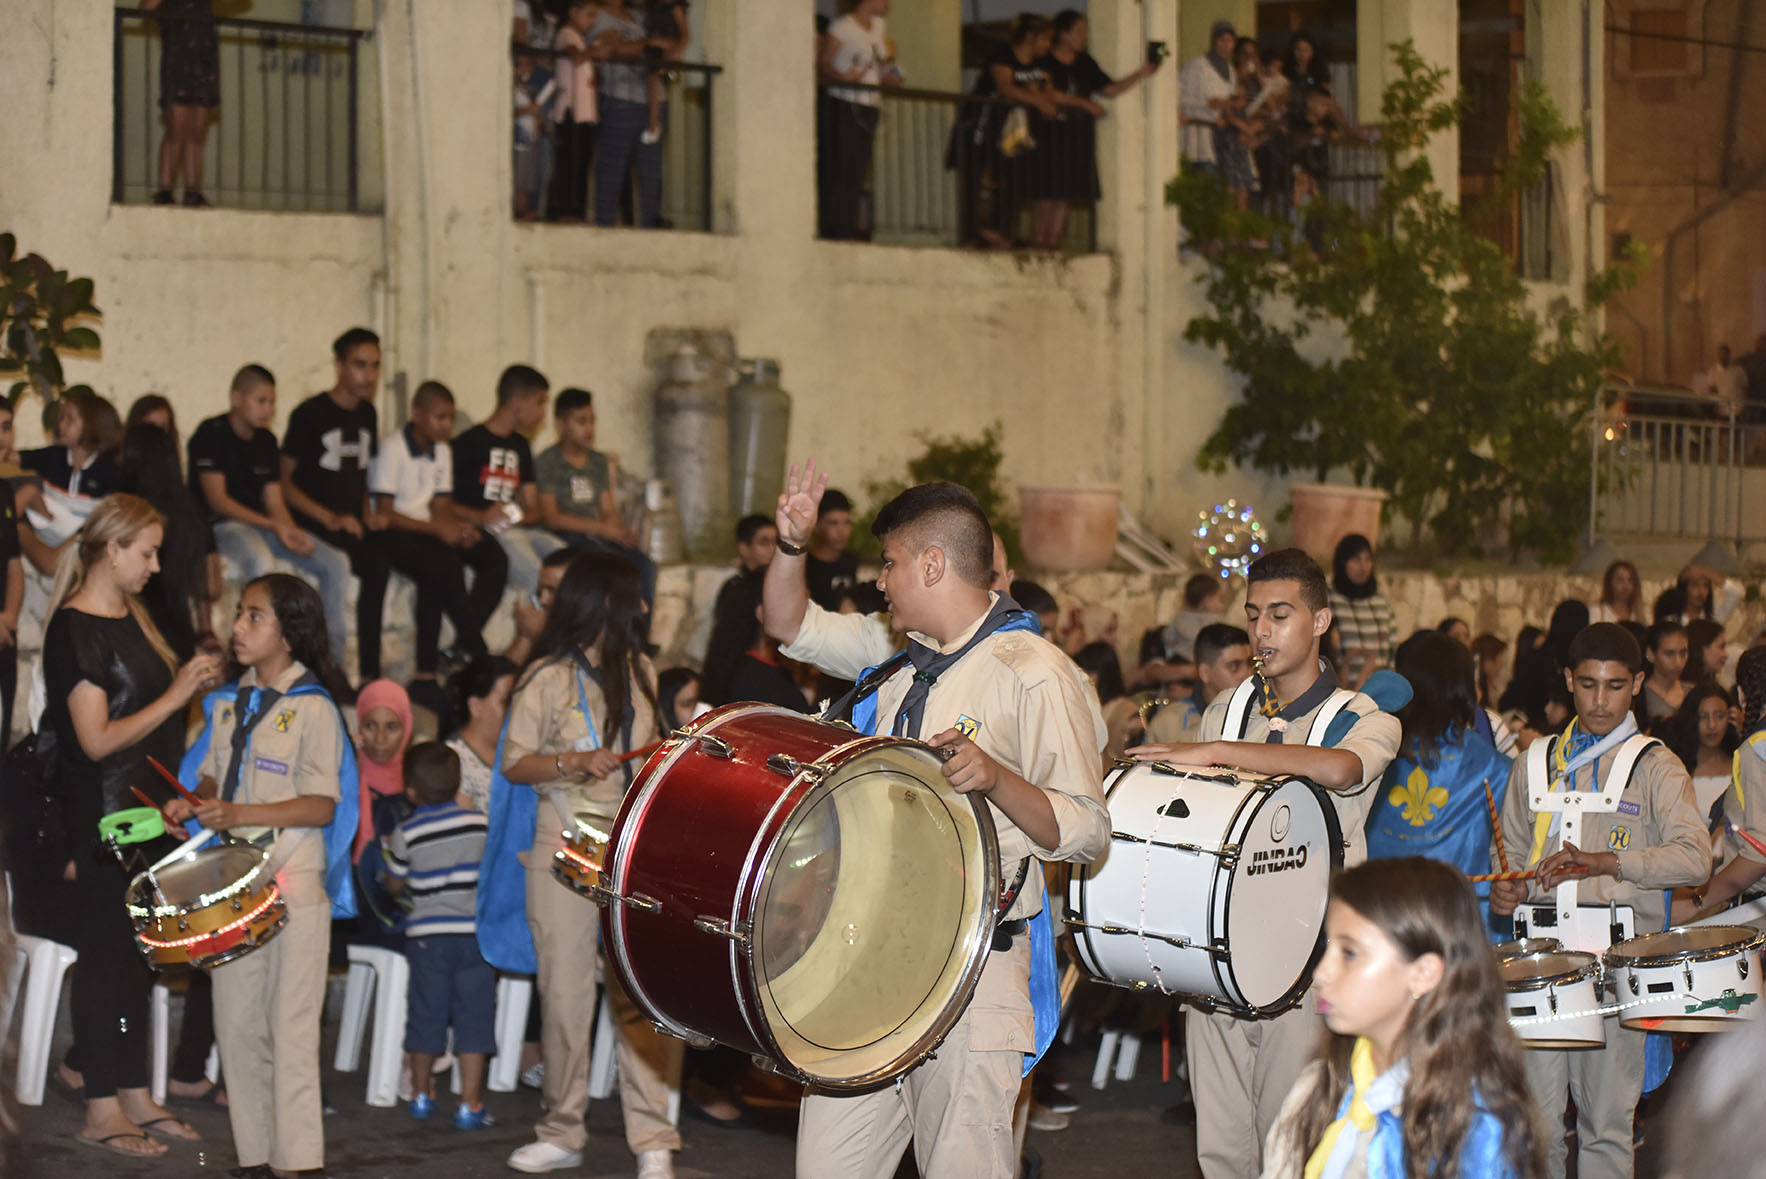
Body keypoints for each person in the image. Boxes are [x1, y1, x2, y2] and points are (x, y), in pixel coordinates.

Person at [763, 460, 1110, 1179]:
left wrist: (998, 776)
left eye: (889, 563)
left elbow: (1086, 827)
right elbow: (786, 625)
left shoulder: (1035, 672)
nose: (880, 580)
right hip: (867, 963)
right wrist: (789, 545)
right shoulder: (897, 665)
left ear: (931, 562)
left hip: (972, 969)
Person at [1128, 547, 1402, 1179]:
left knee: (1291, 1147)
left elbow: (1342, 769)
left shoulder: (1361, 716)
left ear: (1322, 622)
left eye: (1281, 614)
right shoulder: (1228, 706)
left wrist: (1221, 751)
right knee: (1220, 1149)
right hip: (1217, 954)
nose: (1262, 631)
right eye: (1254, 615)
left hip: (1306, 964)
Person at [1488, 622, 1708, 1179]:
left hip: (1614, 966)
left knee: (1607, 1126)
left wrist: (1609, 861)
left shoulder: (1655, 765)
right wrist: (1505, 889)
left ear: (1637, 683)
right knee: (1535, 1127)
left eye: (1615, 685)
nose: (1601, 700)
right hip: (1537, 962)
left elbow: (1695, 858)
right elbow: (1509, 855)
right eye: (1588, 685)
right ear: (1568, 680)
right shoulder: (1534, 761)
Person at [41, 494, 223, 1157]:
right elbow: (93, 741)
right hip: (101, 819)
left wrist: (175, 799)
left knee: (141, 958)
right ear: (109, 549)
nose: (153, 564)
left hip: (146, 814)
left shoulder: (133, 616)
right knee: (105, 959)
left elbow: (156, 735)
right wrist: (178, 692)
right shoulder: (72, 628)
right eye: (144, 551)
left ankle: (135, 1091)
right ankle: (98, 1105)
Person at [492, 553, 684, 1178]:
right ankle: (561, 1130)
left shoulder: (643, 670)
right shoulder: (546, 676)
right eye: (636, 597)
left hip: (631, 846)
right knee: (566, 995)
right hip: (563, 835)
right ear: (605, 603)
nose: (645, 609)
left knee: (640, 993)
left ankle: (654, 1139)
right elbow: (515, 763)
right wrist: (574, 762)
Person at [167, 572, 357, 1177]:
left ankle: (296, 1163)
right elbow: (215, 775)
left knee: (290, 1025)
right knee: (237, 1023)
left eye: (254, 617)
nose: (237, 628)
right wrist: (190, 801)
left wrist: (237, 812)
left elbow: (322, 804)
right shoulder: (231, 702)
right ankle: (254, 1155)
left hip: (294, 875)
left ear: (291, 632)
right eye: (239, 614)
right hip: (235, 881)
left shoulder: (313, 707)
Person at [1258, 858, 1544, 1179]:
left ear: (1422, 974)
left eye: (1349, 953)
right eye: (1328, 946)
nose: (1321, 973)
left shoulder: (1477, 1132)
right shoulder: (1319, 1089)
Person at [192, 364, 354, 671]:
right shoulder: (210, 434)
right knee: (261, 560)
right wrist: (274, 525)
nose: (268, 409)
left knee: (336, 563)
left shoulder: (266, 441)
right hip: (223, 526)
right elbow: (219, 501)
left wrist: (291, 531)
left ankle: (333, 667)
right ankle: (248, 657)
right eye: (261, 401)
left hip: (264, 525)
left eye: (272, 402)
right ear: (236, 398)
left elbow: (275, 500)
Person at [1365, 631, 1513, 934]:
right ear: (1463, 686)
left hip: (1383, 925)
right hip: (1466, 931)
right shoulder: (1492, 765)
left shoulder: (1371, 753)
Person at [386, 741, 498, 1128]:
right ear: (457, 784)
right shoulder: (480, 824)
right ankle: (470, 1104)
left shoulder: (407, 832)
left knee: (425, 1013)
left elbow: (395, 885)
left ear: (411, 792)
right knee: (474, 1018)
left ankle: (420, 1094)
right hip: (473, 939)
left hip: (427, 939)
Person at [366, 379, 504, 680]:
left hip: (424, 526)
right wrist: (437, 530)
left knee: (492, 555)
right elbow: (387, 513)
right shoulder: (393, 449)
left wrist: (458, 528)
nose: (446, 425)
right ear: (417, 414)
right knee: (442, 565)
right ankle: (459, 657)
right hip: (394, 530)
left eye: (450, 418)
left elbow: (441, 505)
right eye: (439, 417)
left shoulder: (442, 451)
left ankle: (460, 648)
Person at [280, 327, 391, 684]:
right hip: (313, 522)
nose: (368, 376)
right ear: (339, 365)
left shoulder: (368, 415)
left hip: (351, 523)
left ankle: (372, 675)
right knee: (339, 568)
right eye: (359, 365)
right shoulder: (309, 414)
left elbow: (357, 472)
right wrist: (329, 517)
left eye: (375, 366)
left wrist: (367, 511)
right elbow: (285, 484)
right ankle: (332, 666)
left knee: (382, 564)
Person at [1029, 9, 1159, 250]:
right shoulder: (1043, 61)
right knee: (1046, 190)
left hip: (1076, 136)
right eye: (1078, 32)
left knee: (1065, 192)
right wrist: (1084, 103)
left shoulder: (1084, 62)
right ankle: (1038, 244)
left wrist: (1142, 73)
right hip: (1049, 133)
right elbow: (1047, 92)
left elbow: (1109, 89)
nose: (1083, 37)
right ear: (1063, 34)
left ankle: (1053, 244)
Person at [533, 386, 655, 610]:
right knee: (606, 564)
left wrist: (620, 532)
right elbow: (551, 518)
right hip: (566, 535)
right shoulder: (547, 461)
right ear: (560, 425)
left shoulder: (598, 462)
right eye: (581, 422)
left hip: (596, 534)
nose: (589, 429)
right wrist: (602, 529)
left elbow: (608, 509)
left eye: (592, 421)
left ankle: (638, 638)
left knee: (643, 566)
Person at [451, 364, 564, 595]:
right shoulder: (467, 443)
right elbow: (442, 505)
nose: (544, 413)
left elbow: (534, 510)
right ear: (516, 401)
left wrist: (512, 515)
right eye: (539, 402)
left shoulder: (521, 447)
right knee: (537, 576)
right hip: (485, 534)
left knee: (570, 562)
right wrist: (482, 517)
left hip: (516, 529)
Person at [1672, 646, 1766, 924]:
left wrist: (1698, 900)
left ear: (1740, 694)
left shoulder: (1756, 748)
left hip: (1757, 909)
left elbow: (1759, 853)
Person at [951, 15, 1058, 250]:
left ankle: (1001, 229)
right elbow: (1005, 87)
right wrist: (1035, 99)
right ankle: (972, 232)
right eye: (1046, 39)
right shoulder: (1002, 55)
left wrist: (1037, 96)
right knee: (975, 174)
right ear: (1031, 37)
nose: (1048, 45)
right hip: (985, 122)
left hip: (1016, 128)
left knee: (1016, 175)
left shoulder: (1042, 63)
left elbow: (1048, 91)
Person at [119, 423, 218, 661]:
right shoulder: (191, 511)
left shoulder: (128, 511)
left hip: (135, 636)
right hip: (179, 638)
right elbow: (212, 587)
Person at [818, 0, 899, 241]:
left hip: (869, 105)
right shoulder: (843, 26)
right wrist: (843, 76)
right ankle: (835, 227)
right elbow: (824, 63)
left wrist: (888, 78)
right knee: (841, 165)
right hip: (844, 103)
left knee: (858, 166)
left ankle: (846, 224)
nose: (887, 3)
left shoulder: (878, 26)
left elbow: (878, 63)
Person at [589, 0, 668, 228]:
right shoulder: (600, 15)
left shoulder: (639, 15)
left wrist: (649, 45)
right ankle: (604, 225)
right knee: (612, 166)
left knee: (651, 170)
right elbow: (615, 47)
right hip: (620, 98)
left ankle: (651, 223)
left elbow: (667, 47)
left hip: (654, 98)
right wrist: (650, 44)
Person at [141, 0, 219, 207]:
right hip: (178, 58)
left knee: (198, 129)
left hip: (204, 59)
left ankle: (193, 192)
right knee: (177, 127)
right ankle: (164, 191)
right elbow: (145, 8)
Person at [701, 516, 781, 707]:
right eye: (764, 542)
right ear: (744, 548)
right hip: (742, 683)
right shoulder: (737, 590)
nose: (772, 550)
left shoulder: (778, 586)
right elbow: (724, 649)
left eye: (776, 542)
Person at [1144, 621, 1252, 745]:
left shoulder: (1262, 717)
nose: (1247, 674)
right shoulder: (1169, 723)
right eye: (1234, 666)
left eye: (1250, 664)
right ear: (1205, 672)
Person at [1659, 680, 1738, 830]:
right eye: (1703, 717)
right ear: (1692, 719)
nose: (1712, 725)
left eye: (1719, 716)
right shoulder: (1675, 768)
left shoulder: (1740, 764)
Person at [547, 1, 600, 223]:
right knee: (570, 162)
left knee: (581, 163)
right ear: (573, 12)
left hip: (584, 113)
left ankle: (576, 211)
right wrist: (594, 51)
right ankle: (565, 212)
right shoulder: (566, 34)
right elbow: (575, 57)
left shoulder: (579, 38)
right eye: (589, 14)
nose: (593, 20)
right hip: (571, 111)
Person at [446, 655, 517, 811]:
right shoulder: (452, 763)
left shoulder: (517, 749)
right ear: (475, 706)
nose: (514, 710)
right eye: (505, 701)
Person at [1328, 533, 1395, 691]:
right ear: (1342, 562)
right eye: (1356, 559)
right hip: (1341, 693)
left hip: (1380, 695)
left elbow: (1393, 651)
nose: (1363, 567)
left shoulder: (1381, 603)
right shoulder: (1328, 600)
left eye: (1367, 559)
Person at [1179, 20, 1237, 174]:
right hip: (1197, 135)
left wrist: (1228, 108)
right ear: (1214, 41)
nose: (1226, 45)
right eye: (1222, 40)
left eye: (1230, 41)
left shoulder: (1231, 71)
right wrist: (1206, 103)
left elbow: (1229, 100)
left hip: (1220, 135)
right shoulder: (1198, 66)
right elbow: (1179, 97)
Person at [0, 403, 23, 749]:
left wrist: (8, 618)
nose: (1, 437)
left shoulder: (4, 490)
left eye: (5, 427)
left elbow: (14, 563)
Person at [804, 487, 859, 612]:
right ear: (816, 525)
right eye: (833, 523)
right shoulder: (804, 564)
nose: (842, 532)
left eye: (847, 523)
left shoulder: (850, 561)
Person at [1162, 572, 1228, 668]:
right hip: (1200, 663)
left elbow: (1167, 636)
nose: (1222, 604)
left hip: (1177, 661)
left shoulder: (1180, 616)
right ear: (1207, 600)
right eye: (1220, 599)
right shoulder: (1216, 621)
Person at [1638, 620, 1689, 727]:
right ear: (1651, 654)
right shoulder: (1641, 697)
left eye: (1683, 653)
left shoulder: (1692, 692)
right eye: (1669, 654)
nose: (1678, 662)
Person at [1589, 559, 1643, 625]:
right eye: (1620, 580)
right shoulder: (1597, 613)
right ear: (1609, 583)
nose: (1625, 586)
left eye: (1630, 580)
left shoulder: (1641, 615)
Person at [1683, 617, 1730, 687]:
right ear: (1701, 647)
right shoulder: (1681, 689)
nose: (1726, 655)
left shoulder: (1711, 686)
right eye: (1721, 647)